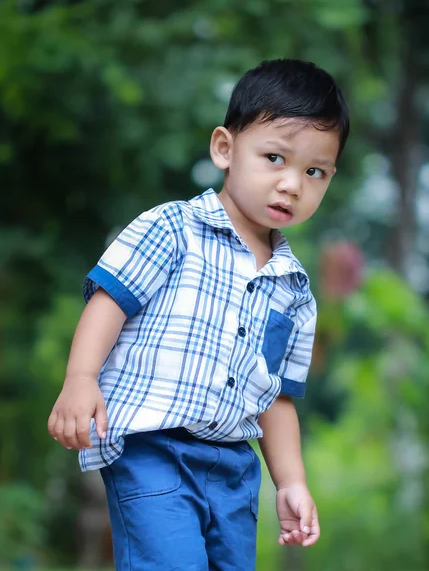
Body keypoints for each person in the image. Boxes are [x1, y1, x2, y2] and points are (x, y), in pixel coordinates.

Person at [48, 58, 350, 571]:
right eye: (275, 157)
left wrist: (291, 481)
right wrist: (80, 378)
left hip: (234, 468)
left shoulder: (295, 291)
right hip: (152, 449)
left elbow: (275, 397)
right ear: (225, 149)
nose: (292, 184)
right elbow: (109, 302)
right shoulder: (172, 230)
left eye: (314, 172)